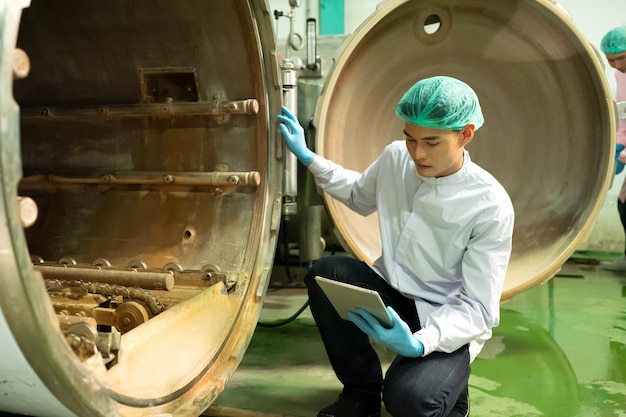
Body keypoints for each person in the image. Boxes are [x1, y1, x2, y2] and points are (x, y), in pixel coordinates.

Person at [277, 76, 515, 417]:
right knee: (326, 274)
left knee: (412, 400)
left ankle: (450, 392)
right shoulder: (395, 158)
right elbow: (359, 196)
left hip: (444, 316)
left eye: (432, 142)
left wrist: (420, 343)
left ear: (466, 134)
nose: (418, 153)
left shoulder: (489, 205)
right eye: (410, 138)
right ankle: (361, 392)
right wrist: (309, 158)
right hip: (393, 292)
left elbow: (478, 310)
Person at [599, 27, 626, 272]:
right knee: (623, 201)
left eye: (622, 58)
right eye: (611, 61)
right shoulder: (620, 75)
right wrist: (614, 146)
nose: (617, 65)